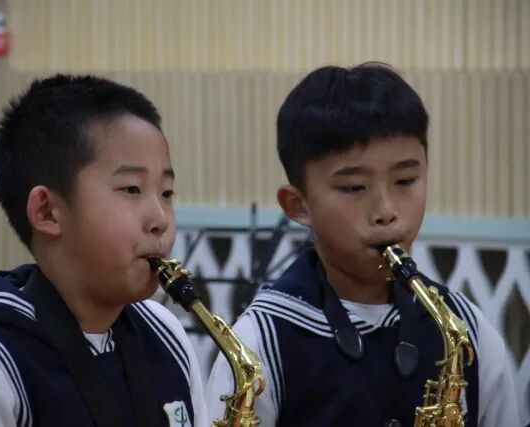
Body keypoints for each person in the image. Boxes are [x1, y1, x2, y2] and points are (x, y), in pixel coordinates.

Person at [205, 63, 522, 427]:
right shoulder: (259, 342)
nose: (387, 212)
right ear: (298, 205)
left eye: (406, 180)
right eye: (354, 188)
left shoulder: (467, 326)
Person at [0, 74, 207, 427]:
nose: (161, 219)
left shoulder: (164, 331)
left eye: (166, 193)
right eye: (131, 189)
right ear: (47, 212)